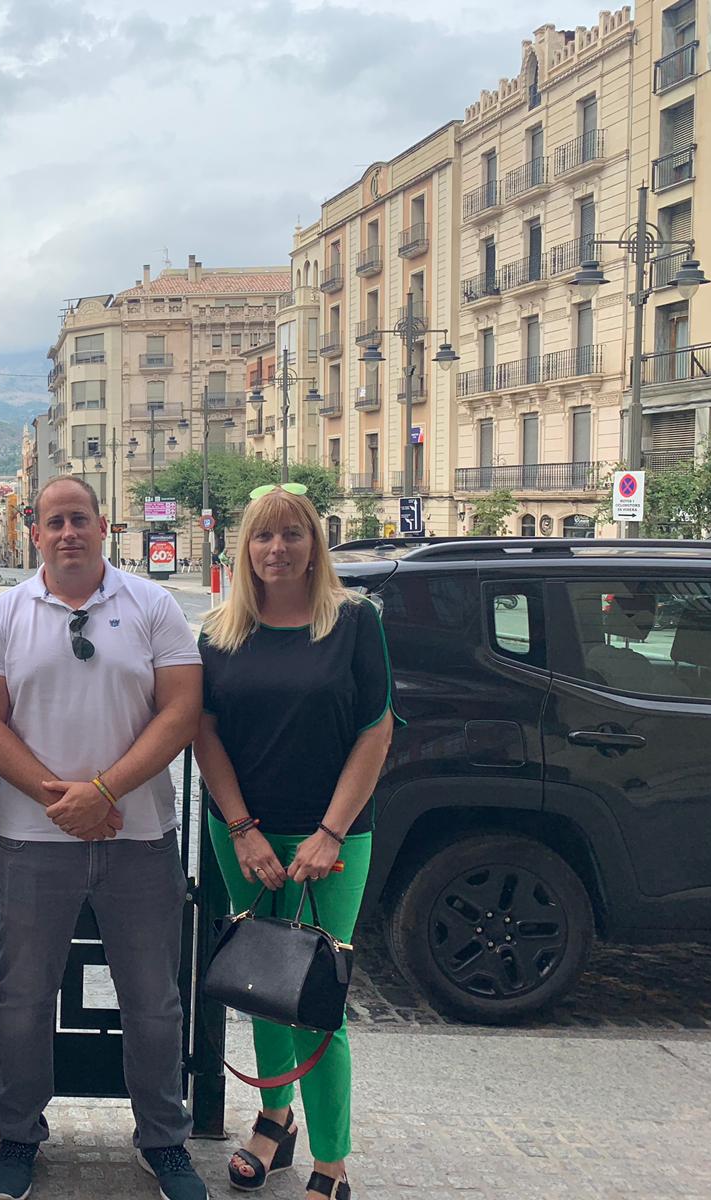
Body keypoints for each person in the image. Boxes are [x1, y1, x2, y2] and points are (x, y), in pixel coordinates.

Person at [0, 476, 208, 1200]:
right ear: (34, 532)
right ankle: (18, 1133)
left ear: (104, 526)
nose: (67, 532)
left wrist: (103, 793)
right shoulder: (3, 614)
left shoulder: (154, 606)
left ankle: (163, 1139)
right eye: (54, 521)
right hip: (32, 839)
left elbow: (181, 710)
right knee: (23, 997)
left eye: (80, 519)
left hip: (141, 837)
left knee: (154, 1000)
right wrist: (65, 802)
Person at [193, 483, 394, 1200]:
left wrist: (329, 833)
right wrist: (243, 830)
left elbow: (376, 731)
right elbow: (205, 734)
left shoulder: (354, 622)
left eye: (292, 534)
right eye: (262, 535)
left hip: (333, 840)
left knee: (316, 1001)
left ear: (315, 544)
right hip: (243, 836)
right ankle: (274, 1121)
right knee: (260, 987)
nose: (276, 548)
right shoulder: (219, 633)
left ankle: (332, 1163)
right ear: (244, 548)